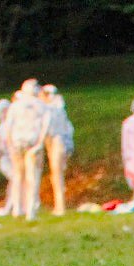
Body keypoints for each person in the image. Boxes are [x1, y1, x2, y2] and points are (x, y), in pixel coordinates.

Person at [5, 79, 49, 221]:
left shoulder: (15, 106)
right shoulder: (41, 106)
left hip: (17, 143)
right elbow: (46, 125)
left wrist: (10, 143)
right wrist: (40, 142)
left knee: (18, 176)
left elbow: (8, 126)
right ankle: (31, 210)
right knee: (32, 177)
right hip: (33, 143)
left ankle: (17, 209)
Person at [40, 83, 75, 216]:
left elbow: (47, 128)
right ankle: (59, 205)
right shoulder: (59, 108)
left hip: (57, 142)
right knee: (56, 174)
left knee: (57, 174)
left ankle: (60, 206)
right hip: (59, 143)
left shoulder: (52, 110)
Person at [0, 99, 18, 215]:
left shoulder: (15, 128)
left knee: (15, 181)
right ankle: (9, 206)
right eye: (2, 111)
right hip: (6, 160)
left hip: (15, 158)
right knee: (16, 179)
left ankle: (12, 205)